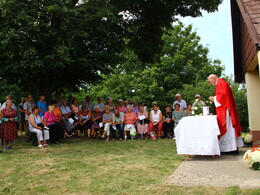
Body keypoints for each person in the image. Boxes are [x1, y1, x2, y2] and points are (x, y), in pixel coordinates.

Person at [208, 74, 243, 153]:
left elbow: (224, 96)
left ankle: (230, 148)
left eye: (210, 81)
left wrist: (214, 98)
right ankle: (231, 148)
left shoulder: (221, 83)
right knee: (228, 127)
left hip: (226, 110)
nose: (210, 83)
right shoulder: (221, 83)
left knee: (228, 127)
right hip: (224, 109)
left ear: (213, 78)